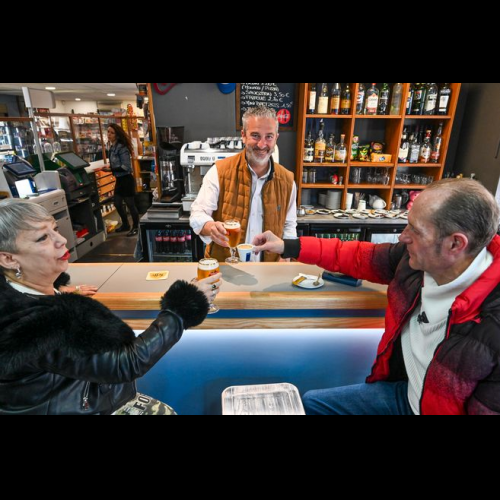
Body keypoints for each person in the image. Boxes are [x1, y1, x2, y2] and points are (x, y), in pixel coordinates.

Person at [253, 179, 500, 415]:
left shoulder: (492, 324)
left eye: (415, 230)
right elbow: (355, 256)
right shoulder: (412, 261)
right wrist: (288, 246)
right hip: (405, 397)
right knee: (311, 403)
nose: (403, 236)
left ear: (455, 244)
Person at [0, 199, 222, 415]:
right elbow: (125, 363)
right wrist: (182, 307)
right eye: (42, 238)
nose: (62, 240)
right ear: (8, 259)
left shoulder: (21, 294)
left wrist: (59, 291)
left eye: (55, 229)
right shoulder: (31, 324)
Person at [190, 106, 297, 262]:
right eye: (255, 135)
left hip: (269, 270)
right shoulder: (219, 171)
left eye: (269, 137)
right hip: (226, 268)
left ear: (276, 138)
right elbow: (197, 213)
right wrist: (210, 227)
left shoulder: (287, 180)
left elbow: (289, 225)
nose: (262, 144)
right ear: (243, 136)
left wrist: (285, 255)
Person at [104, 123, 140, 237]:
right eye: (108, 132)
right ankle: (125, 224)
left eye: (112, 133)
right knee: (117, 203)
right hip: (119, 179)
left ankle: (136, 227)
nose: (109, 134)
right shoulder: (112, 147)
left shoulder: (122, 148)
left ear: (117, 135)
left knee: (130, 204)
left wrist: (110, 169)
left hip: (126, 180)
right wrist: (111, 169)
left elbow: (126, 167)